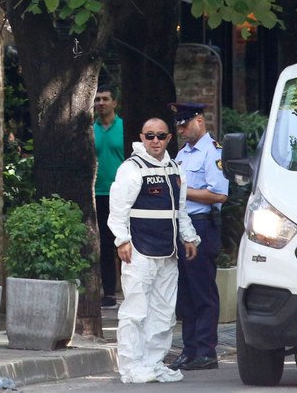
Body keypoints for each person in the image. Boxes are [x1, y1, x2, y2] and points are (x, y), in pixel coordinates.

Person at [108, 118, 201, 384]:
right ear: (142, 136)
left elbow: (180, 211)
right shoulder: (131, 168)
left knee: (163, 312)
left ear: (169, 138)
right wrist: (122, 241)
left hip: (168, 252)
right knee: (135, 311)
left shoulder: (175, 169)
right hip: (140, 250)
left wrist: (189, 237)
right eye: (150, 136)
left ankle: (153, 362)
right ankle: (131, 366)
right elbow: (117, 209)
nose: (156, 141)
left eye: (161, 136)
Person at [167, 102, 229, 371]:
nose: (180, 129)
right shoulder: (182, 154)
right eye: (178, 125)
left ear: (199, 121)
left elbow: (219, 195)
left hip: (202, 225)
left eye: (185, 124)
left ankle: (206, 350)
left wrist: (183, 190)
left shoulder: (213, 153)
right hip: (182, 225)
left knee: (202, 291)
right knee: (185, 294)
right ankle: (190, 350)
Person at [93, 85, 124, 309]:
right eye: (97, 100)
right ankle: (109, 293)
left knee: (124, 241)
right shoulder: (89, 128)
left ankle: (129, 289)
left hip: (122, 194)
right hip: (98, 193)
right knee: (104, 244)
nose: (101, 103)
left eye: (105, 99)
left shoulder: (124, 127)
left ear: (114, 103)